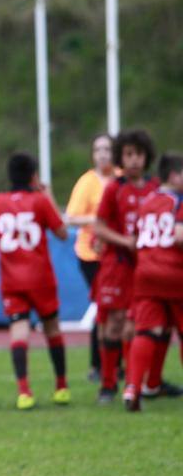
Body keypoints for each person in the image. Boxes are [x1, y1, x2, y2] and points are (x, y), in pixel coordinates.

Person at [91, 129, 181, 402]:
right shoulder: (114, 188)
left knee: (155, 324)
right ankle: (109, 384)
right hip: (120, 264)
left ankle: (148, 381)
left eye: (138, 154)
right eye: (128, 155)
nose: (133, 160)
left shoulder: (156, 189)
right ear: (120, 157)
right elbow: (98, 227)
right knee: (115, 324)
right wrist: (124, 241)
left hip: (148, 264)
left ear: (146, 156)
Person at [0, 153, 70, 410]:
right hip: (41, 278)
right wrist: (47, 195)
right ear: (33, 176)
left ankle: (24, 392)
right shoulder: (40, 201)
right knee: (52, 329)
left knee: (19, 330)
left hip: (13, 281)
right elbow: (62, 233)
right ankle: (61, 387)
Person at [123, 152, 183, 411]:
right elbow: (179, 237)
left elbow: (136, 239)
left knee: (146, 330)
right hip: (173, 272)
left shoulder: (147, 201)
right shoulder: (179, 200)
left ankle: (133, 387)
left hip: (146, 272)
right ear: (174, 175)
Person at [65, 134, 114, 381]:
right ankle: (98, 365)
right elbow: (71, 217)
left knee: (121, 309)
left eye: (107, 149)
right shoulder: (87, 182)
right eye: (98, 149)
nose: (103, 154)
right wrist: (98, 221)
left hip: (117, 252)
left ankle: (117, 362)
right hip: (91, 253)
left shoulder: (120, 178)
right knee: (103, 305)